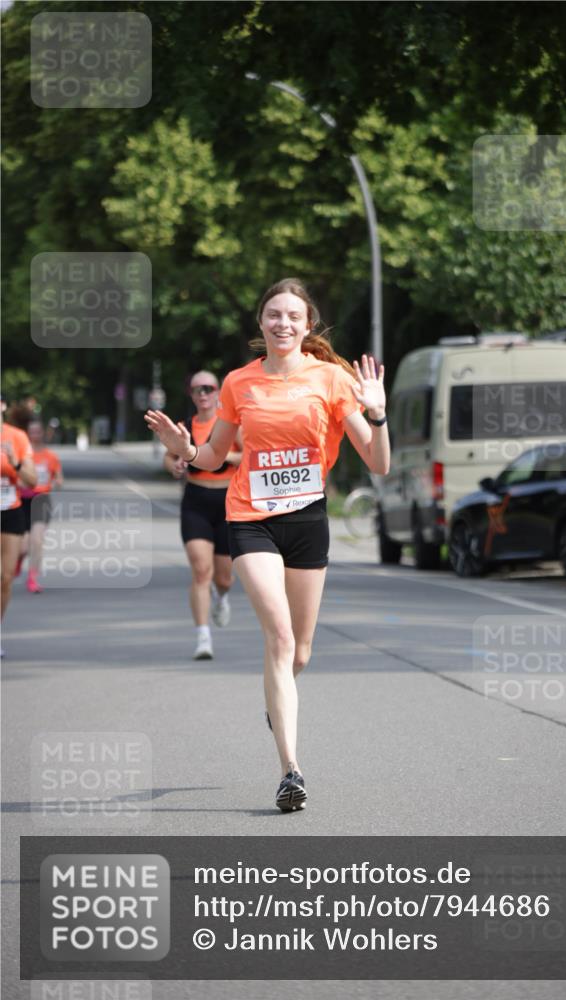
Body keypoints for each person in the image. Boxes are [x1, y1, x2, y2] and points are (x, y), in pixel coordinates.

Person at [146, 278, 390, 811]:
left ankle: (279, 701)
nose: (283, 323)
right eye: (274, 315)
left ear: (308, 325)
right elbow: (214, 456)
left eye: (293, 316)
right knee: (279, 637)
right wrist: (186, 448)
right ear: (261, 322)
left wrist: (377, 413)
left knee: (300, 652)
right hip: (250, 518)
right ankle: (290, 771)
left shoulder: (332, 378)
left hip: (307, 520)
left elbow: (378, 462)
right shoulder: (239, 383)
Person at [164, 370, 242, 660]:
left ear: (218, 392)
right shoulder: (184, 427)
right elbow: (169, 456)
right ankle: (203, 637)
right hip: (196, 501)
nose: (203, 394)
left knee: (224, 578)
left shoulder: (230, 424)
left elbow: (250, 455)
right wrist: (174, 466)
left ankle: (221, 596)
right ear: (191, 394)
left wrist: (220, 455)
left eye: (208, 388)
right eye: (197, 389)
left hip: (227, 502)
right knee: (200, 571)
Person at [1, 403, 37, 652]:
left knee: (5, 578)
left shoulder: (16, 437)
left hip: (9, 511)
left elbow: (32, 481)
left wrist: (15, 463)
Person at [16, 419, 63, 593]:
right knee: (22, 546)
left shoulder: (50, 456)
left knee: (37, 540)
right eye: (32, 432)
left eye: (37, 432)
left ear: (42, 433)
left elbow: (59, 478)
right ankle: (18, 560)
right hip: (22, 501)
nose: (35, 435)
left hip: (41, 500)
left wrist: (56, 482)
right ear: (27, 434)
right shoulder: (21, 455)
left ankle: (32, 578)